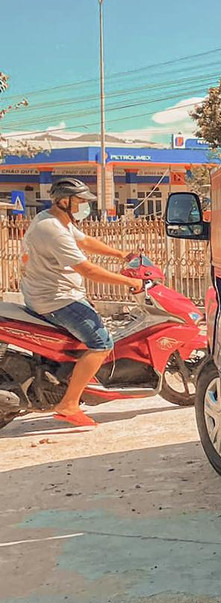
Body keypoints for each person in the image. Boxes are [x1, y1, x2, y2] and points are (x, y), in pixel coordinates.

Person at [21, 178, 143, 428]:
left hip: (49, 293)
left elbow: (85, 241)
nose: (84, 206)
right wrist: (129, 282)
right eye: (80, 201)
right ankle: (69, 404)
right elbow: (87, 269)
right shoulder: (52, 229)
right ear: (64, 201)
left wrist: (122, 254)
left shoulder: (57, 220)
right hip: (56, 299)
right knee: (102, 343)